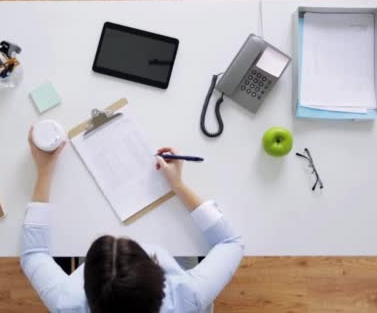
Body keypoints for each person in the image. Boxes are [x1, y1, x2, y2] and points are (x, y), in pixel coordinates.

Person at [21, 127, 244, 313]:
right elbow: (230, 242)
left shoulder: (68, 303)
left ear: (84, 287)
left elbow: (33, 254)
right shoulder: (186, 295)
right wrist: (178, 185)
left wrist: (44, 172)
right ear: (160, 278)